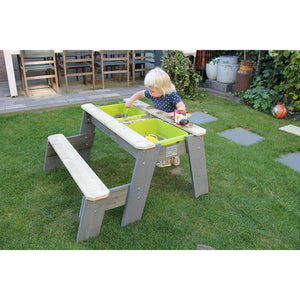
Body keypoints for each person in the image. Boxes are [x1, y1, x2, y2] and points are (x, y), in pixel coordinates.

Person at [125, 67, 186, 167]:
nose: (150, 92)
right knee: (165, 141)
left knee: (172, 141)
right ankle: (168, 159)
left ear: (163, 89)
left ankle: (174, 157)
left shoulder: (171, 95)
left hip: (172, 121)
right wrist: (130, 101)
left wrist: (175, 113)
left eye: (152, 90)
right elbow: (139, 94)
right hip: (161, 119)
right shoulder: (153, 93)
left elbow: (182, 106)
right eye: (149, 90)